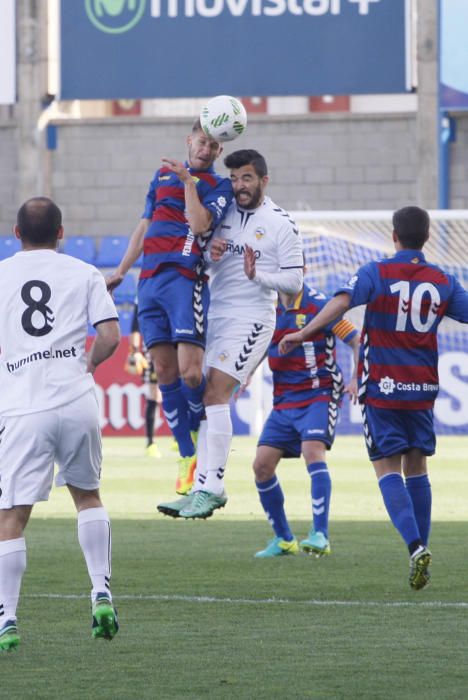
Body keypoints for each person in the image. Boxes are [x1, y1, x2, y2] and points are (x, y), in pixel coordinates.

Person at [279, 206, 468, 589]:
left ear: (393, 236)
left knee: (387, 469)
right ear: (427, 238)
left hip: (382, 386)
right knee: (418, 469)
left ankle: (415, 547)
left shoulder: (375, 272)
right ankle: (423, 549)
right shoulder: (443, 280)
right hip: (422, 388)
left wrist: (304, 333)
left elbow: (340, 303)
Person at [0, 197, 121, 652]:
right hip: (76, 400)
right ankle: (101, 591)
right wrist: (86, 365)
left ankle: (7, 620)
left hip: (23, 406)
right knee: (87, 496)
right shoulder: (84, 272)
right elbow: (109, 336)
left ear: (16, 233)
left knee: (11, 518)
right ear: (61, 232)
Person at [158, 149, 304, 520]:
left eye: (247, 178)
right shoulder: (224, 215)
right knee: (208, 400)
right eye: (235, 178)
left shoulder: (280, 223)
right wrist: (213, 253)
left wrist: (259, 276)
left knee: (214, 393)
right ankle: (201, 488)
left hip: (253, 319)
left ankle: (214, 487)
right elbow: (202, 255)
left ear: (263, 181)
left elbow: (294, 281)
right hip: (217, 315)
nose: (239, 186)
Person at [107, 119, 233, 497]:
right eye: (201, 141)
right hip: (150, 283)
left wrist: (189, 182)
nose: (206, 149)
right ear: (189, 140)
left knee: (191, 375)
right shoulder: (161, 175)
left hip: (185, 279)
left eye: (213, 145)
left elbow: (198, 223)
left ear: (219, 151)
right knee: (163, 370)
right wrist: (122, 271)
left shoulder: (218, 186)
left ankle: (197, 431)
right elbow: (144, 225)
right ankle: (187, 453)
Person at [253, 276, 360, 558]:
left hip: (318, 394)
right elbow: (260, 344)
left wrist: (355, 377)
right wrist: (245, 373)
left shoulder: (320, 306)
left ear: (303, 268)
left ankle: (320, 535)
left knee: (312, 451)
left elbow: (356, 339)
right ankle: (284, 539)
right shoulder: (267, 308)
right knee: (262, 466)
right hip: (284, 400)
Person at [126, 303, 162, 458]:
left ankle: (180, 437)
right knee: (154, 393)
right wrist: (134, 351)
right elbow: (135, 325)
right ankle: (150, 443)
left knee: (176, 388)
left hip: (176, 340)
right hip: (153, 344)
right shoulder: (142, 295)